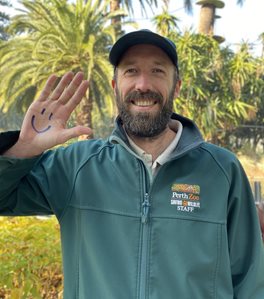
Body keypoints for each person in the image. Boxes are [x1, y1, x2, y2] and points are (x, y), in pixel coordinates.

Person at [0, 29, 264, 299]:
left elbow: (250, 279)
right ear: (116, 86)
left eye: (158, 71)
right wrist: (23, 150)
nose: (143, 85)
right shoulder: (75, 167)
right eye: (131, 71)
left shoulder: (223, 171)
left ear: (177, 86)